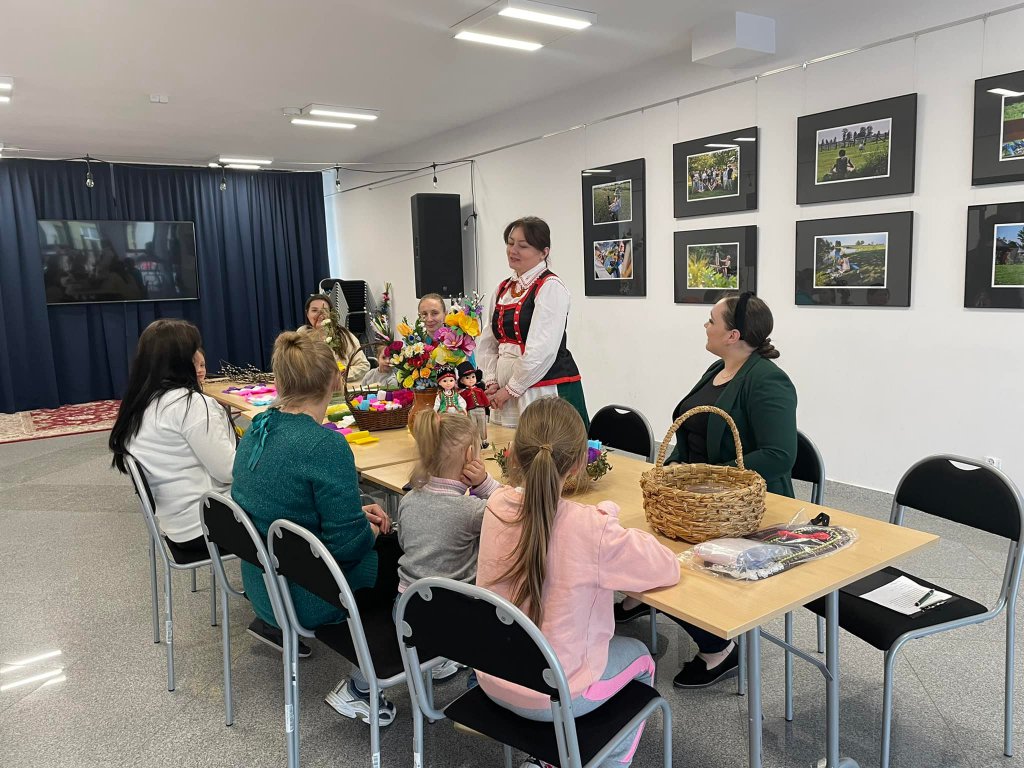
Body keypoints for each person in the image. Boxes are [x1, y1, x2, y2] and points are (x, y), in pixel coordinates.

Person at [476, 398, 679, 768]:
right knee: (644, 658)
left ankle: (548, 759)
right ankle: (609, 762)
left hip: (492, 680)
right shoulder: (592, 528)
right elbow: (666, 567)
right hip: (562, 693)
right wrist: (607, 517)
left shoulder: (496, 507)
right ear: (579, 465)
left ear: (514, 457)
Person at [617, 292, 797, 688]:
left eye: (711, 320)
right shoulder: (718, 367)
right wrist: (676, 471)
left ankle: (718, 649)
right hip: (694, 501)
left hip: (743, 507)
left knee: (670, 556)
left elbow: (780, 455)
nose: (705, 325)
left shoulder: (769, 380)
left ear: (733, 334)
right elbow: (692, 431)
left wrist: (713, 478)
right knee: (629, 531)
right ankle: (637, 595)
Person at [231, 331, 398, 724]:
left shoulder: (259, 428)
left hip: (262, 584)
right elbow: (347, 548)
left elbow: (286, 502)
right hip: (307, 596)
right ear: (333, 381)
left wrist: (357, 509)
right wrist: (370, 530)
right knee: (406, 555)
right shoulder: (325, 446)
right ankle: (367, 682)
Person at [109, 319, 235, 551]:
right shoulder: (190, 405)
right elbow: (228, 471)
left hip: (177, 527)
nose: (198, 360)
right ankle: (267, 586)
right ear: (180, 361)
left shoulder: (140, 404)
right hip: (206, 527)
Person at [397, 410, 502, 679]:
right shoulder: (469, 510)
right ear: (470, 457)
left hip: (406, 608)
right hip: (452, 616)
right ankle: (477, 681)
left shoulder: (408, 499)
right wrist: (485, 484)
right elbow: (511, 512)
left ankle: (437, 657)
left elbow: (405, 542)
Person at [476, 216, 589, 429]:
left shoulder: (550, 287)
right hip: (505, 389)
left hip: (541, 388)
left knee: (541, 447)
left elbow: (542, 350)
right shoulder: (503, 289)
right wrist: (491, 381)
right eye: (510, 243)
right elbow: (489, 342)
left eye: (523, 246)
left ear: (544, 252)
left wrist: (511, 389)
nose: (513, 250)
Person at [301, 293, 370, 383]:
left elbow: (363, 365)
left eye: (324, 310)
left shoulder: (344, 336)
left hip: (341, 390)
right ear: (307, 313)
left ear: (330, 313)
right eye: (314, 310)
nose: (319, 314)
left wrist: (338, 376)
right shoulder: (301, 336)